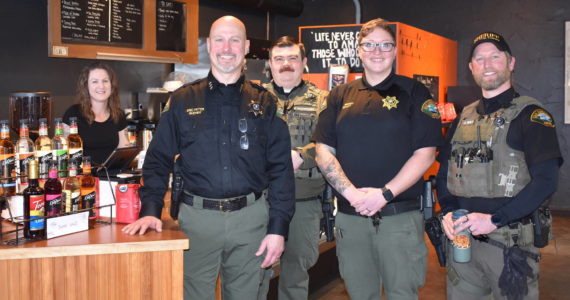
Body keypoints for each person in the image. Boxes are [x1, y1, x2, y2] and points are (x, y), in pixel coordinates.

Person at [122, 16, 295, 300]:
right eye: (219, 39)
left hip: (250, 221)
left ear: (246, 46)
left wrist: (279, 229)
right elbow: (157, 159)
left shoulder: (265, 102)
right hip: (196, 221)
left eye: (234, 40)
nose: (227, 47)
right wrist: (151, 209)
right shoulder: (181, 100)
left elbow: (281, 170)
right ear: (209, 44)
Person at [312, 18, 443, 299]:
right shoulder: (339, 95)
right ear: (359, 50)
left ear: (395, 50)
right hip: (351, 217)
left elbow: (426, 153)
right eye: (369, 45)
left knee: (402, 294)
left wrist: (384, 194)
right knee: (359, 294)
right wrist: (351, 194)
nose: (377, 51)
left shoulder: (415, 93)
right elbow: (323, 150)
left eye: (385, 44)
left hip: (400, 218)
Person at [436, 32, 562, 300]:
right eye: (479, 59)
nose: (487, 64)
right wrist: (447, 211)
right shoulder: (463, 117)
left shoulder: (531, 116)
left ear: (511, 62)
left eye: (495, 56)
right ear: (471, 68)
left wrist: (494, 220)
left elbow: (546, 181)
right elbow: (444, 172)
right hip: (462, 243)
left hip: (509, 246)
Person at [258, 36, 328, 300]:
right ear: (269, 64)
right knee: (256, 269)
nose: (285, 64)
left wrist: (303, 155)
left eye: (292, 58)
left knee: (297, 272)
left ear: (304, 63)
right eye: (279, 59)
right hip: (261, 200)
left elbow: (331, 142)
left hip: (304, 201)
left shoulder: (323, 100)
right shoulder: (254, 99)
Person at [63, 62, 130, 166]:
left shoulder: (118, 115)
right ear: (86, 86)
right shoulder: (73, 114)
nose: (101, 86)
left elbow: (125, 150)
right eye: (95, 81)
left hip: (111, 177)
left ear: (112, 86)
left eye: (105, 81)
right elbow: (63, 153)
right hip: (82, 177)